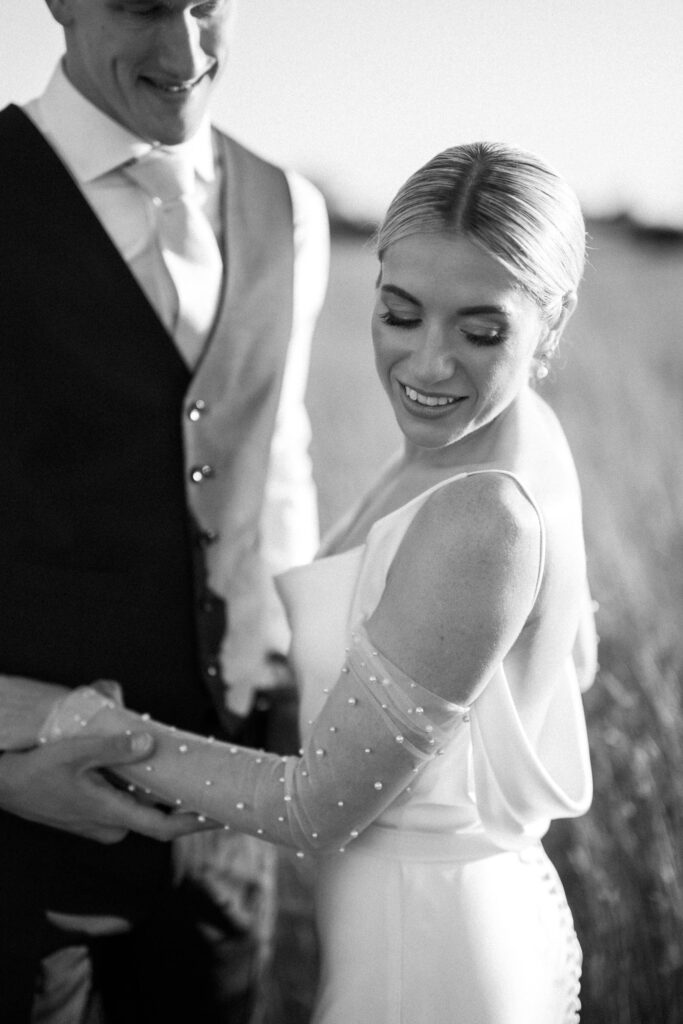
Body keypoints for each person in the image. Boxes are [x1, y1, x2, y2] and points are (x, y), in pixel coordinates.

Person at [37, 142, 597, 1024]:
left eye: (480, 331)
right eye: (399, 315)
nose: (427, 365)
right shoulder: (515, 435)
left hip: (424, 944)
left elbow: (313, 808)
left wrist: (73, 721)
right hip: (456, 901)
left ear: (551, 324)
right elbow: (575, 659)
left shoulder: (481, 514)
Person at [0, 0, 328, 1021]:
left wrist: (301, 714)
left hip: (225, 842)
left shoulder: (292, 210)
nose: (184, 52)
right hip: (16, 845)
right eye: (143, 5)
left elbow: (277, 474)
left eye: (204, 5)